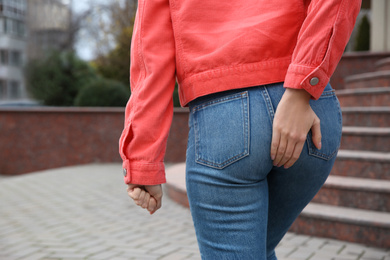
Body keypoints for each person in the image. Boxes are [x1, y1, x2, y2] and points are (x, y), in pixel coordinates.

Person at [119, 0, 361, 259]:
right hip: (309, 113)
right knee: (260, 250)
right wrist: (302, 86)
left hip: (227, 119)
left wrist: (142, 159)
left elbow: (152, 57)